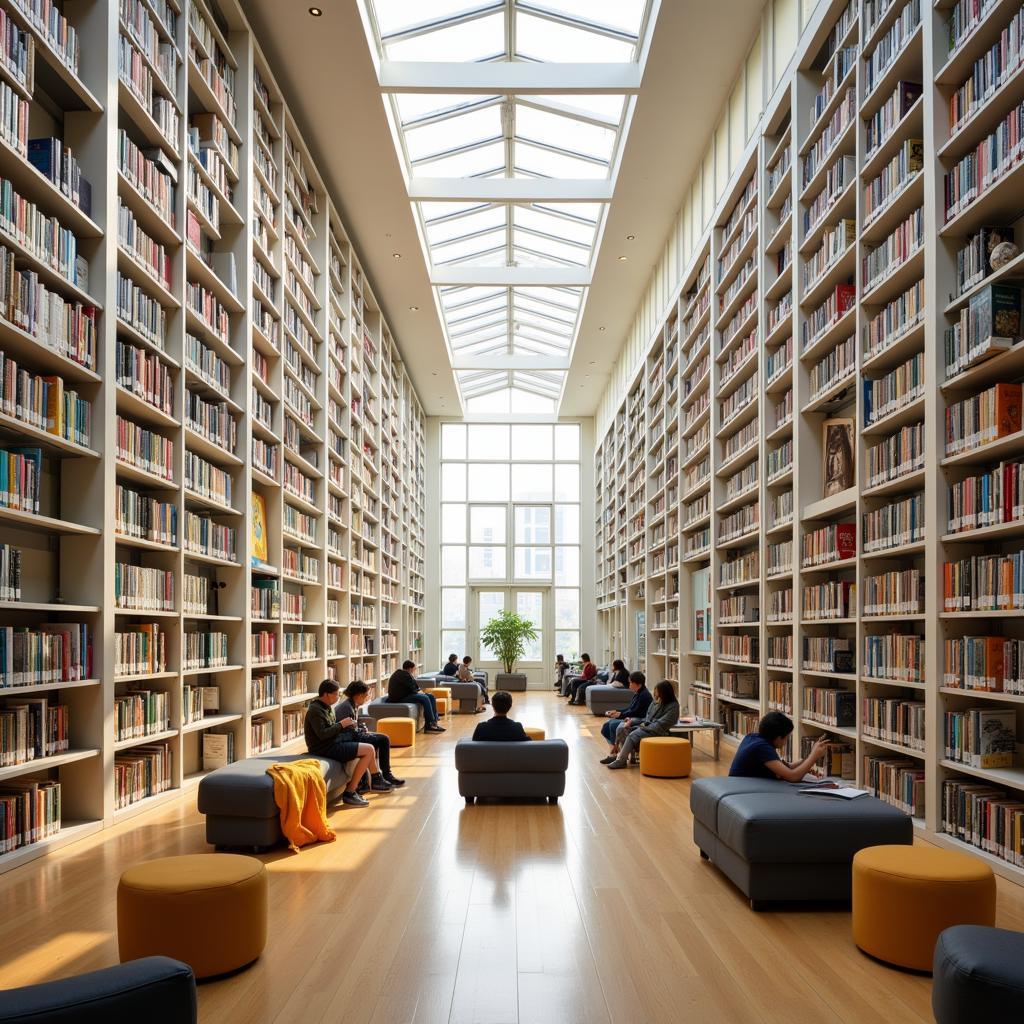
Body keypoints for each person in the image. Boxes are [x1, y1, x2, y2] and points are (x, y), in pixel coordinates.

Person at [304, 680, 380, 806]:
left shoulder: (326, 707)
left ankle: (374, 780)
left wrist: (347, 726)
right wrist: (341, 724)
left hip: (331, 743)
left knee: (366, 745)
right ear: (326, 694)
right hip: (324, 748)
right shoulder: (315, 710)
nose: (338, 697)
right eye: (336, 694)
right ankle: (351, 791)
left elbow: (331, 730)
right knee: (369, 749)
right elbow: (323, 734)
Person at [335, 680, 405, 789]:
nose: (367, 697)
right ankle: (383, 775)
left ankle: (376, 776)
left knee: (381, 738)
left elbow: (353, 726)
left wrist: (362, 729)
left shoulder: (351, 704)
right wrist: (362, 732)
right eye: (366, 695)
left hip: (352, 736)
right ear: (358, 695)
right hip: (346, 740)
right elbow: (349, 732)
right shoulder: (346, 708)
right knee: (383, 739)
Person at [729, 711, 830, 782]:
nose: (786, 742)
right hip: (743, 788)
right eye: (786, 738)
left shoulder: (753, 738)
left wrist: (811, 755)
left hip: (742, 784)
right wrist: (813, 757)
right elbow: (793, 777)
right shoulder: (761, 748)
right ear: (778, 738)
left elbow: (788, 767)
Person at [605, 681, 680, 768]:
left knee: (633, 735)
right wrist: (632, 721)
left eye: (657, 691)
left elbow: (660, 724)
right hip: (648, 728)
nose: (655, 693)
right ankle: (624, 757)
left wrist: (642, 727)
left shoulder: (673, 706)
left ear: (664, 693)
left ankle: (620, 760)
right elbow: (646, 719)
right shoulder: (656, 702)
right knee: (622, 728)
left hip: (659, 731)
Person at [387, 659, 445, 733]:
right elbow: (413, 688)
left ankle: (434, 722)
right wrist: (420, 692)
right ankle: (430, 725)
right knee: (425, 698)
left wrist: (420, 691)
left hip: (405, 694)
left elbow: (413, 687)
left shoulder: (405, 674)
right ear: (410, 668)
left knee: (431, 696)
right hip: (399, 698)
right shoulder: (403, 675)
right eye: (414, 668)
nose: (415, 670)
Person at [600, 671, 652, 753]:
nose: (629, 685)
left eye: (631, 683)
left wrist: (620, 715)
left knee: (612, 725)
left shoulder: (644, 696)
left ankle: (615, 754)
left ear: (639, 684)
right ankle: (614, 750)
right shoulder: (638, 693)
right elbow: (630, 709)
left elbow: (635, 712)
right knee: (605, 726)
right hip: (632, 717)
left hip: (637, 720)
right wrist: (617, 711)